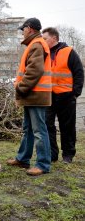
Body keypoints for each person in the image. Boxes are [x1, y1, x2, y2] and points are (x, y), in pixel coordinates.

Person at [6, 18, 52, 176]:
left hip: (36, 94)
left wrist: (20, 87)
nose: (22, 32)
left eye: (23, 29)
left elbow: (35, 71)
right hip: (32, 95)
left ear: (30, 29)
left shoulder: (37, 44)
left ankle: (43, 164)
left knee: (39, 131)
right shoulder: (34, 44)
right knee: (28, 130)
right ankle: (23, 159)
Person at [43, 27, 84, 163]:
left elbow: (79, 73)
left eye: (45, 38)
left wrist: (75, 93)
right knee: (48, 125)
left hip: (66, 96)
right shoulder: (44, 53)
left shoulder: (69, 52)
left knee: (67, 127)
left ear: (54, 38)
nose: (43, 41)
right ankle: (52, 154)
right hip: (49, 95)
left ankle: (68, 155)